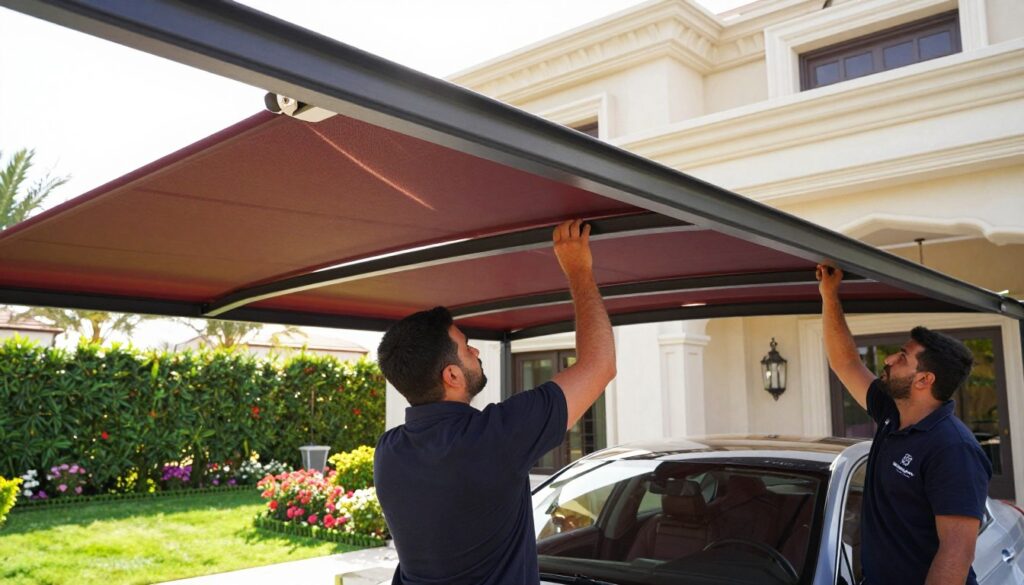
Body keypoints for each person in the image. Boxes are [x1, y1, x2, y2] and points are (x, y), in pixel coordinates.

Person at [374, 219, 616, 585]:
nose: (474, 351)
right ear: (451, 376)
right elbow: (600, 366)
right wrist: (579, 270)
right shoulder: (493, 439)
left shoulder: (389, 451)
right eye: (466, 347)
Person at [816, 264, 991, 585]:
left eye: (902, 357)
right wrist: (829, 296)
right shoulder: (891, 412)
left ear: (924, 379)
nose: (888, 360)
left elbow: (956, 552)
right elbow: (845, 362)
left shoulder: (953, 448)